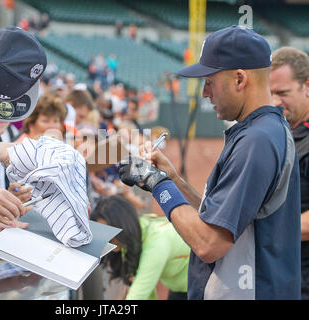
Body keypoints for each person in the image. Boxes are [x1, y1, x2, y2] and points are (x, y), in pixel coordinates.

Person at [119, 26, 301, 300]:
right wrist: (174, 180)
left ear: (239, 79)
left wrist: (158, 185)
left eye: (210, 81)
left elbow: (209, 243)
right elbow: (217, 218)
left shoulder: (257, 140)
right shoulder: (267, 129)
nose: (205, 92)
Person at [90, 195, 190, 300]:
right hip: (179, 286)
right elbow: (145, 291)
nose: (106, 239)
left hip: (197, 287)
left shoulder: (157, 243)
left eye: (109, 231)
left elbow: (138, 295)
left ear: (123, 225)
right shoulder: (133, 236)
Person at [269, 47, 309, 299]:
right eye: (270, 93)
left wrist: (265, 231)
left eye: (283, 93)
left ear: (307, 86)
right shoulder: (284, 133)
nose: (275, 102)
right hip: (277, 279)